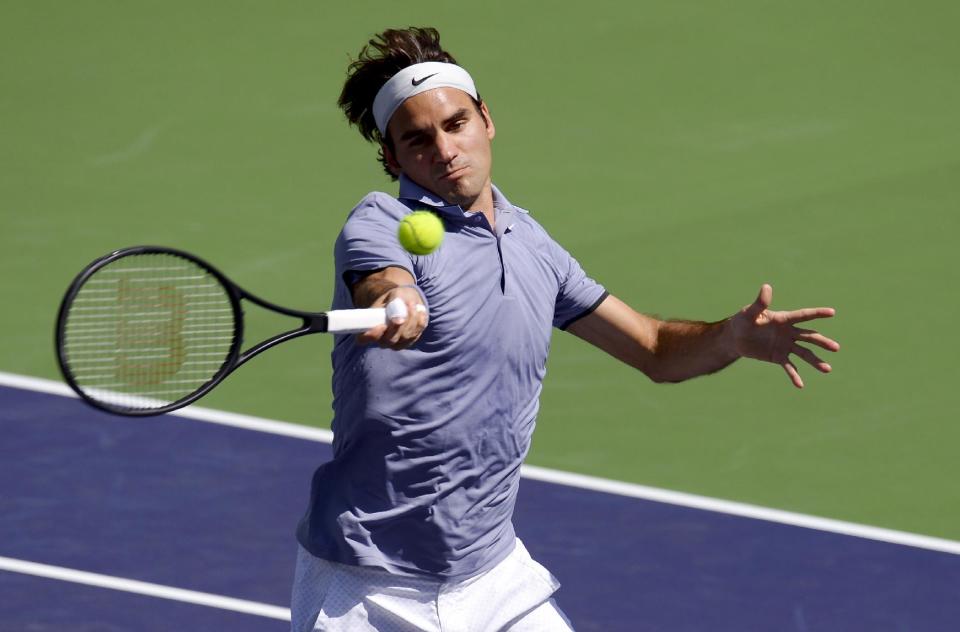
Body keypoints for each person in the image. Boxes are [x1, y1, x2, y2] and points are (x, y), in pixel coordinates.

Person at [290, 27, 839, 631]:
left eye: (456, 124)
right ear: (393, 158)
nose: (444, 150)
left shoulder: (533, 247)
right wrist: (397, 296)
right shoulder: (383, 220)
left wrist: (730, 338)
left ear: (486, 120)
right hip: (368, 588)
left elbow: (655, 348)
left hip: (492, 577)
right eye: (417, 140)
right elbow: (381, 277)